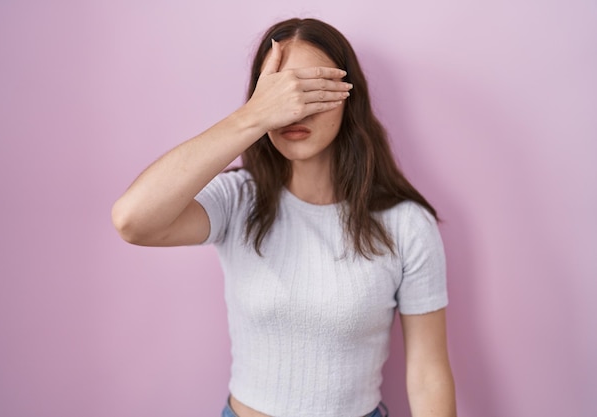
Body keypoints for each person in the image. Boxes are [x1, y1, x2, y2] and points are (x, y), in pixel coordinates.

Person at [112, 17, 456, 417]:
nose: (294, 109)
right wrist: (253, 117)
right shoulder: (239, 199)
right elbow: (132, 219)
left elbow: (428, 374)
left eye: (312, 89)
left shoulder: (406, 224)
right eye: (280, 92)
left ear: (349, 96)